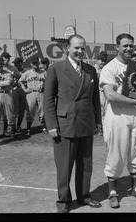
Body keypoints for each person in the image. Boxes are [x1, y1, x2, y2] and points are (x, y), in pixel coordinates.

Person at [43, 34, 102, 213]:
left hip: (86, 123)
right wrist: (52, 125)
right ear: (67, 48)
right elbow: (48, 99)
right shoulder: (56, 69)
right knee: (64, 167)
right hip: (64, 125)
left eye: (82, 48)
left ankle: (84, 196)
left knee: (85, 165)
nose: (80, 51)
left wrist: (98, 121)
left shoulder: (91, 70)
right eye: (76, 48)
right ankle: (63, 201)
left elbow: (95, 99)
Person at [99, 33, 136, 209]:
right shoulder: (110, 68)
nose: (129, 48)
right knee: (116, 152)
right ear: (117, 47)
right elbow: (111, 95)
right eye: (125, 46)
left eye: (131, 45)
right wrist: (134, 102)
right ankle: (113, 192)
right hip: (118, 115)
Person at [18, 56, 47, 136]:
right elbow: (20, 81)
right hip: (31, 93)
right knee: (30, 110)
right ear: (31, 64)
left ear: (39, 63)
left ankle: (44, 127)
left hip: (41, 93)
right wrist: (24, 88)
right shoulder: (27, 73)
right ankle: (28, 129)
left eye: (36, 62)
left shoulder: (43, 72)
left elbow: (49, 81)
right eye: (33, 63)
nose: (35, 64)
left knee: (42, 111)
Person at [0, 56, 15, 148]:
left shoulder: (8, 73)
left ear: (3, 64)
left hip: (7, 94)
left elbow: (9, 83)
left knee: (10, 115)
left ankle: (10, 132)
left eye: (1, 64)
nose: (0, 65)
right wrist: (2, 84)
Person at [0, 52, 21, 137]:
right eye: (5, 57)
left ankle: (10, 130)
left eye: (8, 58)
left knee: (10, 112)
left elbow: (19, 76)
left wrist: (15, 83)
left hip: (9, 93)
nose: (7, 59)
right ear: (2, 58)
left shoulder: (13, 68)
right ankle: (2, 131)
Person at [94, 51, 108, 135]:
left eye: (104, 60)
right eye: (101, 60)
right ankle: (98, 127)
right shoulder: (93, 69)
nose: (103, 62)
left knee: (105, 111)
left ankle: (103, 128)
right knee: (98, 110)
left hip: (104, 93)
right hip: (96, 93)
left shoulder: (105, 69)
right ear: (97, 60)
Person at [12, 57, 27, 133]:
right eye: (14, 63)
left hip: (23, 92)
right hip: (15, 91)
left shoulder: (26, 72)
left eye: (16, 63)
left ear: (21, 63)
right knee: (14, 110)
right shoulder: (13, 71)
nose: (15, 65)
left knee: (21, 110)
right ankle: (13, 127)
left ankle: (18, 126)